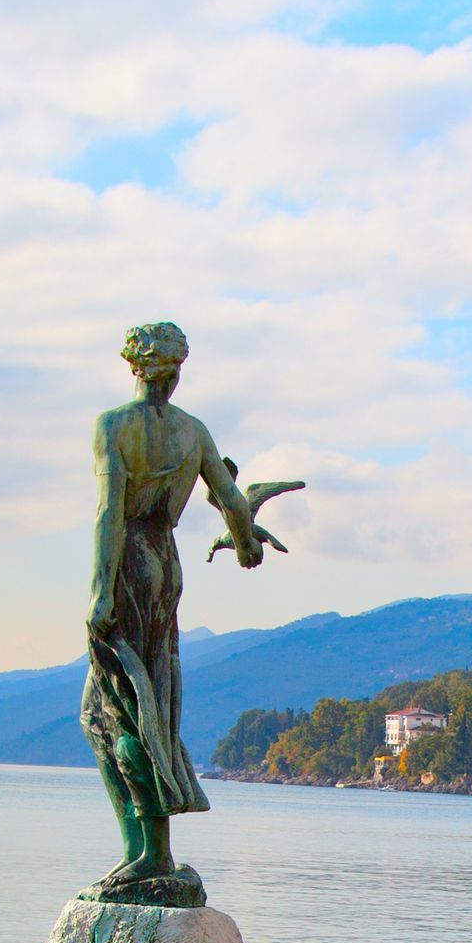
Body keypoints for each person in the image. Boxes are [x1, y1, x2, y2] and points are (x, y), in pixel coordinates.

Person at [80, 320, 300, 900]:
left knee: (116, 714)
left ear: (134, 367)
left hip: (128, 560)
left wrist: (101, 589)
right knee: (146, 701)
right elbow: (230, 501)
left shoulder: (114, 427)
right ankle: (147, 852)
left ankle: (149, 853)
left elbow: (109, 513)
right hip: (167, 564)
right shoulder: (193, 432)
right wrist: (247, 543)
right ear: (175, 370)